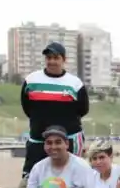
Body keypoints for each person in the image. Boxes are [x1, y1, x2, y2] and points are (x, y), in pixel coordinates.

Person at [20, 42, 89, 175]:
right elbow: (27, 107)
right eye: (48, 58)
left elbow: (83, 109)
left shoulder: (75, 83)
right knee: (32, 178)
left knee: (72, 179)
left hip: (69, 139)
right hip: (38, 139)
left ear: (64, 60)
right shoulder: (31, 80)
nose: (52, 61)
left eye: (56, 58)